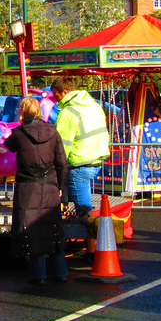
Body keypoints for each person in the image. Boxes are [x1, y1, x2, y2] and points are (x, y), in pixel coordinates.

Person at [3, 97, 69, 285]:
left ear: (22, 112)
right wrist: (60, 187)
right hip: (49, 184)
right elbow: (61, 163)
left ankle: (39, 275)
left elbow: (8, 146)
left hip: (27, 186)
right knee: (53, 228)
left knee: (32, 230)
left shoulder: (19, 134)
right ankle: (61, 272)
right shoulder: (53, 132)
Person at [50, 77, 110, 217]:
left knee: (84, 213)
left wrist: (55, 166)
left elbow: (62, 145)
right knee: (84, 203)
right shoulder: (93, 105)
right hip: (95, 159)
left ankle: (90, 235)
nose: (56, 100)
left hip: (79, 163)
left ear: (65, 92)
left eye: (57, 96)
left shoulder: (69, 112)